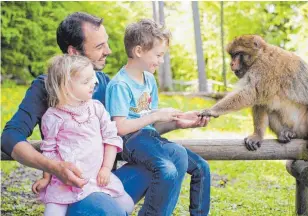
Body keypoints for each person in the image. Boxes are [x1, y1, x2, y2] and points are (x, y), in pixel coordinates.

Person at [1, 12, 209, 215]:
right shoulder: (47, 87)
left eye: (106, 43)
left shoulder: (104, 84)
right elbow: (10, 137)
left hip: (103, 180)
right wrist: (54, 168)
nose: (108, 51)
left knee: (175, 155)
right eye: (100, 46)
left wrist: (175, 122)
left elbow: (128, 130)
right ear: (74, 52)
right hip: (77, 187)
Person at [106, 18, 211, 216]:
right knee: (167, 171)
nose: (161, 60)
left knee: (201, 168)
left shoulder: (149, 79)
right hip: (131, 140)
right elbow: (119, 128)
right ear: (138, 51)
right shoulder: (120, 85)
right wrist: (155, 115)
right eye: (158, 55)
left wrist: (181, 120)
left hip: (150, 138)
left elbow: (151, 123)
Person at [31, 55, 134, 215]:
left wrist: (106, 169)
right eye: (85, 81)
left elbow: (110, 139)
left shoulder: (96, 109)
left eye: (92, 79)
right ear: (65, 87)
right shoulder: (53, 117)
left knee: (127, 206)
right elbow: (49, 151)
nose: (93, 84)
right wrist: (46, 178)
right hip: (64, 182)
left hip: (97, 177)